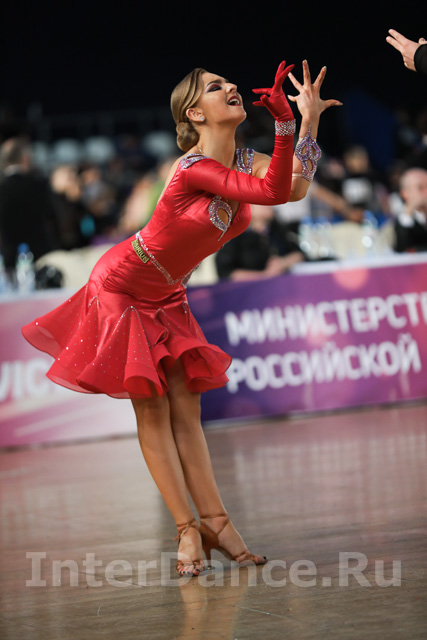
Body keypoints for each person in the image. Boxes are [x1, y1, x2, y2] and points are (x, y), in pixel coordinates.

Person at [22, 59, 341, 577]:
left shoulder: (244, 158)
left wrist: (306, 121)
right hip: (123, 287)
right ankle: (186, 531)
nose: (231, 86)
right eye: (216, 87)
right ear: (194, 113)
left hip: (169, 293)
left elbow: (293, 189)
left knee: (187, 411)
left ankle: (217, 523)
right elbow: (268, 192)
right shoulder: (192, 169)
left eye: (229, 82)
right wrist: (283, 125)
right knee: (152, 409)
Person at [0, 137, 60, 273]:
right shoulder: (39, 185)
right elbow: (52, 219)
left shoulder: (2, 189)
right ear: (25, 158)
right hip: (42, 256)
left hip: (9, 261)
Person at [215, 203, 304, 280]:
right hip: (248, 290)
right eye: (261, 202)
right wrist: (265, 275)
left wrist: (283, 263)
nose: (268, 205)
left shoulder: (276, 229)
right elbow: (226, 272)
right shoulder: (236, 235)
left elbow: (299, 254)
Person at [393, 167, 427, 252]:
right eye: (420, 187)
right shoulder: (402, 220)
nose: (426, 192)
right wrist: (408, 211)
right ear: (405, 193)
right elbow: (401, 248)